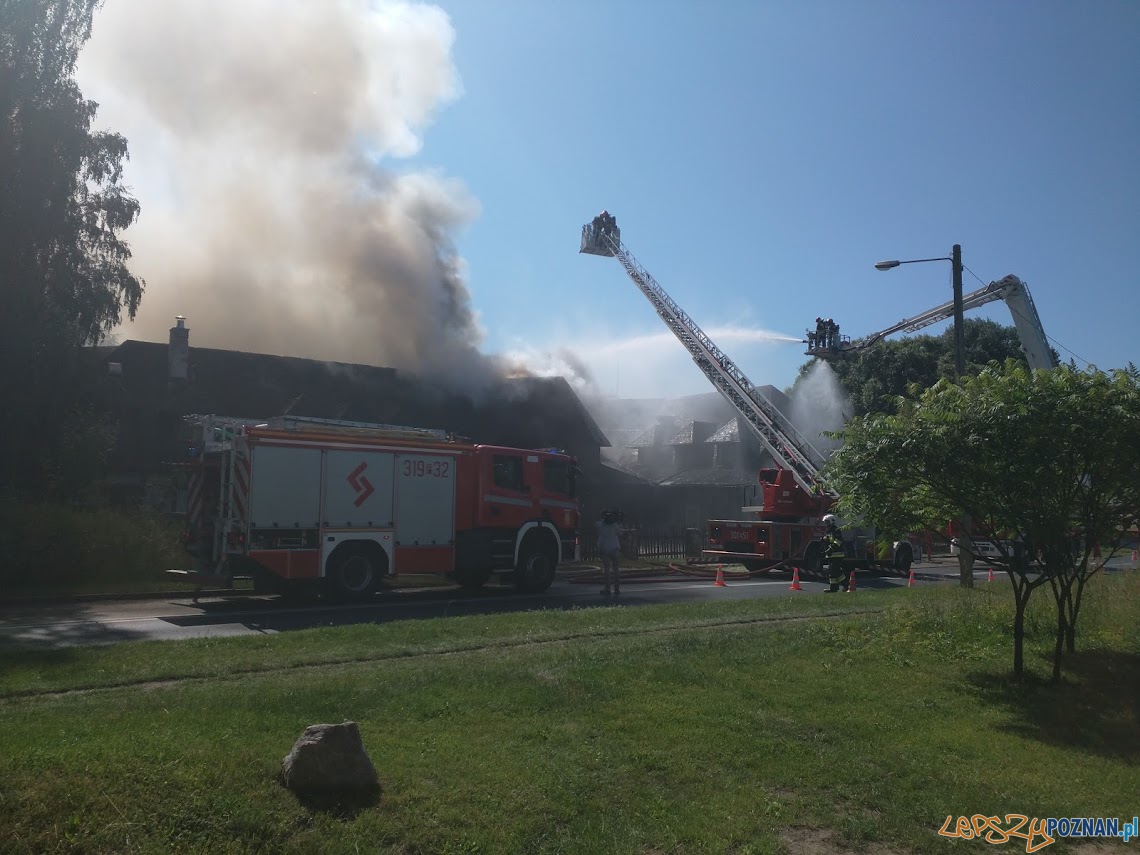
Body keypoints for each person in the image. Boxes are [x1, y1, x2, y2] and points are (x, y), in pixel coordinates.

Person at [596, 509, 624, 595]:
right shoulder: (615, 526)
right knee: (616, 570)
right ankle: (617, 589)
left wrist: (603, 516)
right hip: (615, 549)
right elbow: (621, 533)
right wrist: (619, 522)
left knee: (607, 570)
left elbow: (596, 524)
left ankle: (607, 589)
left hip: (605, 550)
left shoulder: (601, 525)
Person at [822, 514, 847, 592]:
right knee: (832, 572)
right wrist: (823, 539)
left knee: (835, 571)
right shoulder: (828, 531)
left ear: (832, 521)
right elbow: (829, 539)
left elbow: (838, 541)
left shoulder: (836, 530)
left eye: (827, 522)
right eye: (825, 522)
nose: (826, 524)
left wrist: (830, 549)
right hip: (831, 555)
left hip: (837, 554)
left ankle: (846, 585)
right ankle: (833, 588)